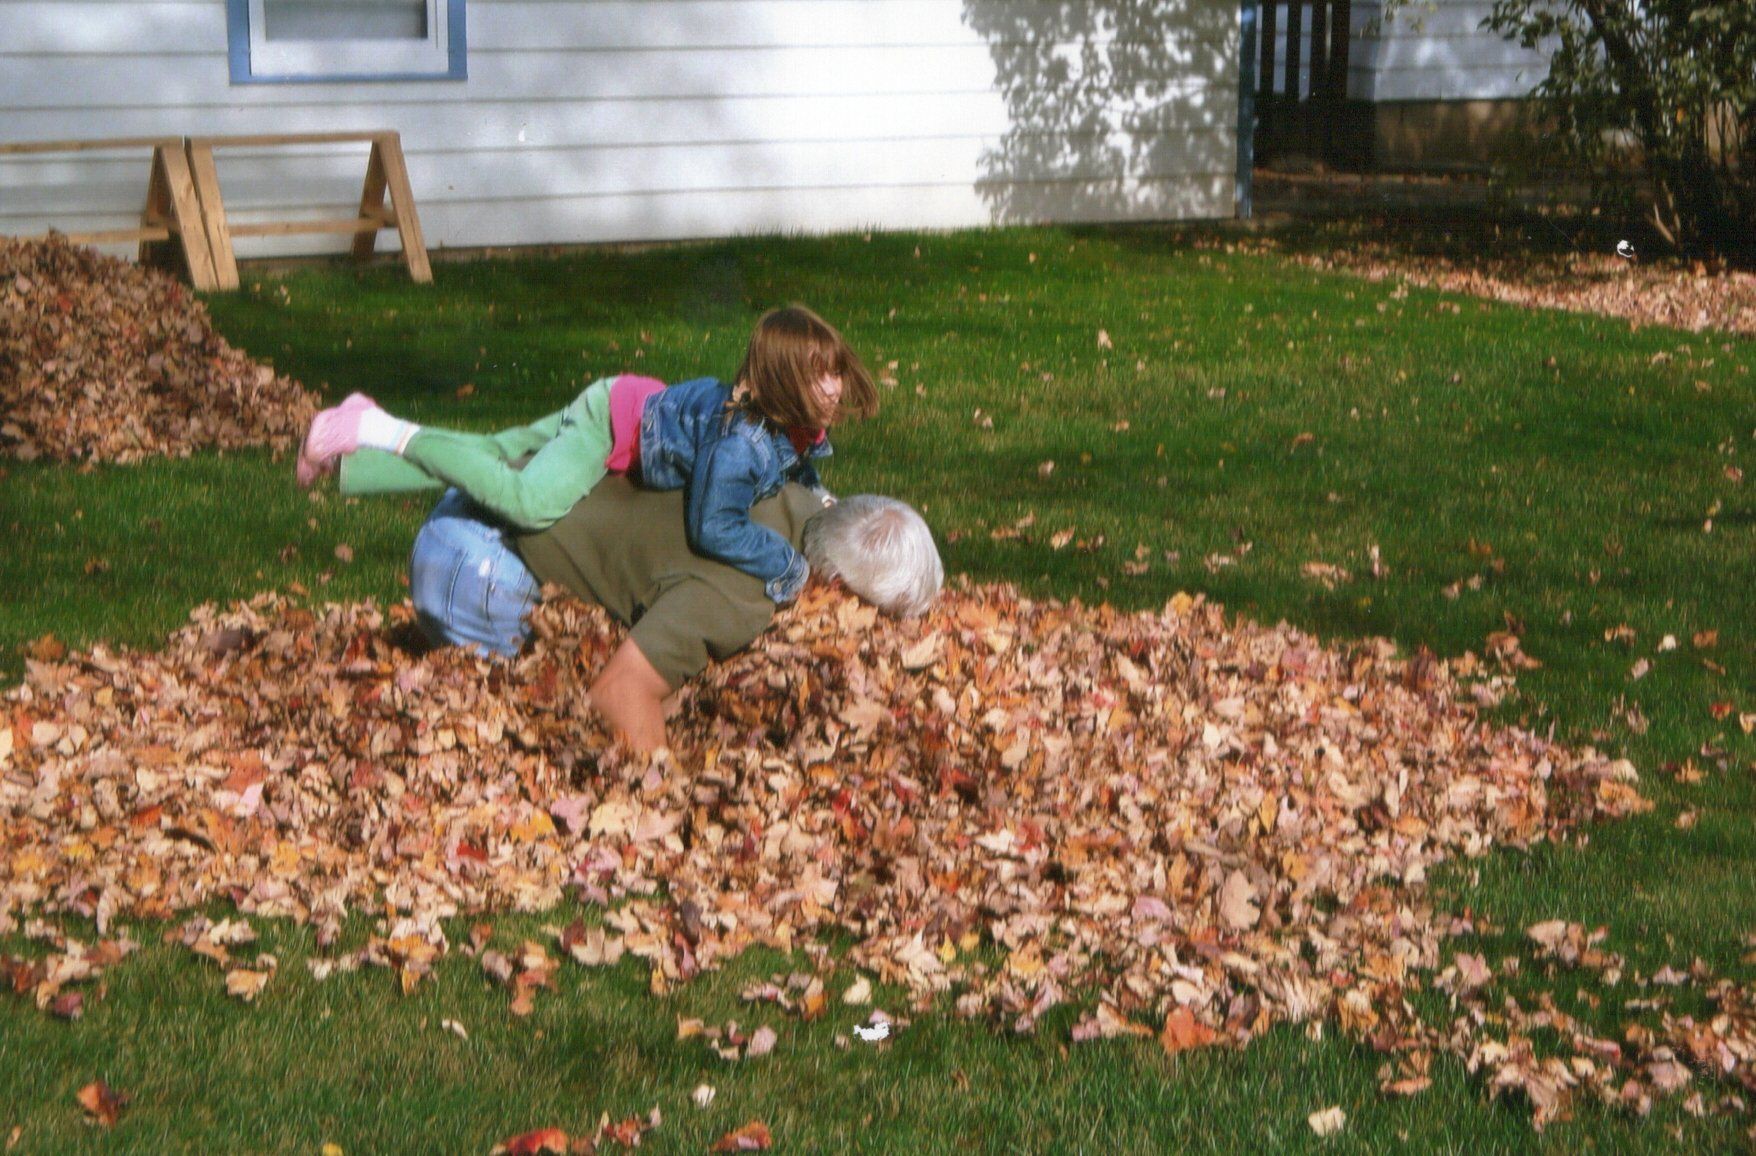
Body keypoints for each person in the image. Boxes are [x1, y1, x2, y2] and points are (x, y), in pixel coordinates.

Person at [297, 305, 878, 605]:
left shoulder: (788, 426)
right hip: (613, 422)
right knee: (526, 500)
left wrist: (819, 491)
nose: (832, 389)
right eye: (815, 377)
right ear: (777, 383)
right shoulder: (738, 447)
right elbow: (713, 526)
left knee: (498, 450)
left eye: (833, 371)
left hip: (638, 401)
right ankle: (379, 426)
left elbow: (791, 462)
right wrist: (788, 567)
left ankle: (351, 442)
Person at [388, 468, 941, 751]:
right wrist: (664, 802)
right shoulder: (745, 591)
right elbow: (617, 691)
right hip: (473, 560)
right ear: (835, 588)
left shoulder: (800, 494)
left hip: (499, 489)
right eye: (877, 620)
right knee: (530, 721)